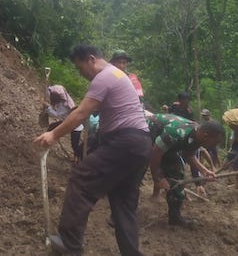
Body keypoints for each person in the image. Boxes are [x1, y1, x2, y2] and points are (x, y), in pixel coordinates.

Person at [34, 45, 151, 256]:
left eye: (80, 68)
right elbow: (88, 112)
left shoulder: (104, 77)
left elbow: (81, 113)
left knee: (81, 180)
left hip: (125, 142)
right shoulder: (117, 75)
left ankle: (70, 245)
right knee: (123, 204)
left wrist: (53, 134)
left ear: (90, 59)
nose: (82, 74)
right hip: (141, 144)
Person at [149, 119, 223, 226]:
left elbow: (188, 155)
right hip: (146, 136)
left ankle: (175, 217)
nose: (214, 146)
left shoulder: (198, 137)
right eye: (214, 142)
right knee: (136, 172)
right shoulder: (176, 133)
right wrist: (158, 178)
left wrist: (204, 170)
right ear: (206, 135)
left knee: (177, 178)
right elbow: (155, 153)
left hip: (167, 148)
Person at [44, 85, 84, 162]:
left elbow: (56, 115)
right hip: (67, 122)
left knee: (74, 145)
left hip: (75, 127)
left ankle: (79, 159)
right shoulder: (61, 100)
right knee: (52, 127)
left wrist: (48, 107)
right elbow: (49, 91)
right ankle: (46, 142)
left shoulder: (64, 106)